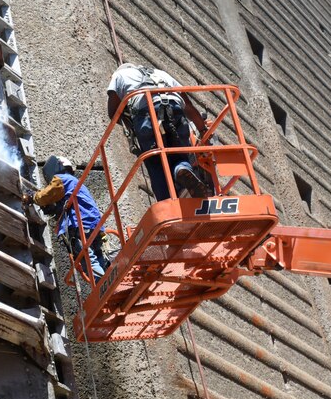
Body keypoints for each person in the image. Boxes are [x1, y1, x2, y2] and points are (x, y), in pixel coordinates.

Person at [106, 63, 211, 201]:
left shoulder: (120, 75)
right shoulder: (162, 74)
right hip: (175, 110)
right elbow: (188, 106)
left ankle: (166, 201)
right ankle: (182, 169)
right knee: (180, 154)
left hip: (147, 114)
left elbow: (113, 112)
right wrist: (203, 130)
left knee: (155, 161)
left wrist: (130, 125)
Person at [25, 155, 109, 282]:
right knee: (98, 255)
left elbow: (46, 195)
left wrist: (33, 197)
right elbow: (65, 206)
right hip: (94, 226)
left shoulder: (62, 179)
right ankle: (109, 282)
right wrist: (53, 209)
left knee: (89, 261)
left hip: (80, 225)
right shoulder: (75, 183)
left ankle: (104, 289)